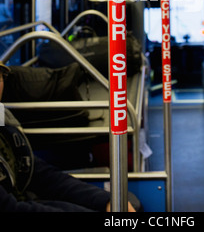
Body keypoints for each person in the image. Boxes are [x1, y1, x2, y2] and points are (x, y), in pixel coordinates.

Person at [0, 61, 137, 212]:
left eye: (0, 76)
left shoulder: (5, 125)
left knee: (125, 204)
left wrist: (104, 201)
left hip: (25, 198)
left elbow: (39, 175)